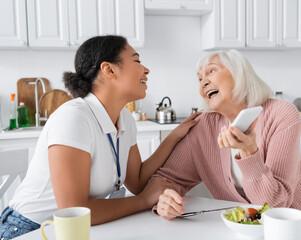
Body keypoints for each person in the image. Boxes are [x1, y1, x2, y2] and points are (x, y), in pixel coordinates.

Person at [0, 35, 200, 239]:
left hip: (80, 230)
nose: (146, 70)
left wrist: (174, 136)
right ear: (109, 69)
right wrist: (144, 201)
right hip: (28, 230)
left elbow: (137, 181)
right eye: (137, 61)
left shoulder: (125, 119)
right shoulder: (73, 118)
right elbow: (74, 210)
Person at [152, 49, 301, 220]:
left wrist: (249, 153)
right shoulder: (203, 126)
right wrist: (164, 200)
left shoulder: (281, 113)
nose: (203, 83)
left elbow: (274, 206)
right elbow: (166, 179)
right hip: (239, 230)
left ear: (239, 74)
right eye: (200, 78)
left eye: (211, 71)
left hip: (297, 226)